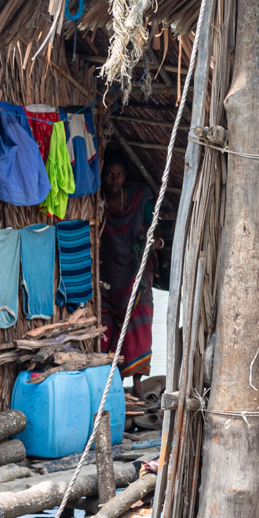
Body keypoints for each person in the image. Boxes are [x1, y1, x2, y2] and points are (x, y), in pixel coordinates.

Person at [98, 149, 159, 384]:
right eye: (110, 175)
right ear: (103, 176)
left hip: (135, 274)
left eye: (120, 175)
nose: (115, 180)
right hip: (107, 274)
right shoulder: (97, 201)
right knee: (105, 327)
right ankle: (112, 385)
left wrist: (155, 242)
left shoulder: (138, 199)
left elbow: (155, 227)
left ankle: (137, 388)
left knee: (138, 326)